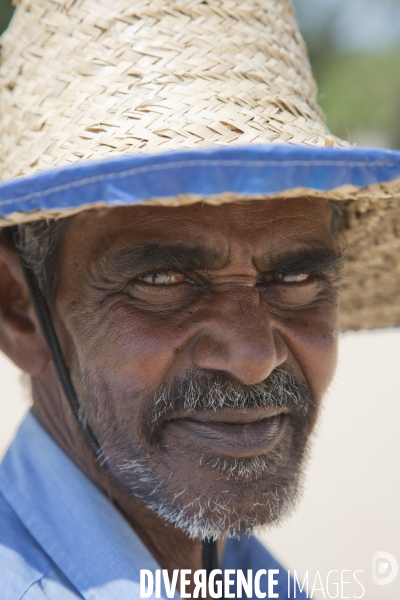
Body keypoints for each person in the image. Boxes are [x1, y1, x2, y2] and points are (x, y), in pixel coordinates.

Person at [0, 0, 399, 598]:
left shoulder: (239, 573)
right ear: (19, 310)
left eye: (294, 281)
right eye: (163, 282)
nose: (251, 356)